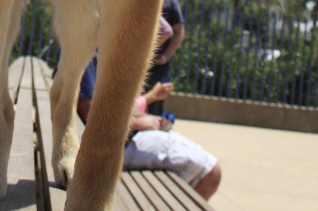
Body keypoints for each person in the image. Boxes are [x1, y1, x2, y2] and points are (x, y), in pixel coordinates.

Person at [78, 54, 221, 200]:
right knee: (211, 172)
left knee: (206, 169)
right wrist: (138, 122)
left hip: (128, 136)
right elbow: (88, 112)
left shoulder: (102, 49)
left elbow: (114, 106)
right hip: (120, 142)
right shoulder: (89, 51)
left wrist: (147, 117)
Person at [144, 0, 185, 115]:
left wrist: (166, 56)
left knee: (155, 106)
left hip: (159, 66)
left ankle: (152, 132)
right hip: (138, 65)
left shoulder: (171, 1)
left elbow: (178, 32)